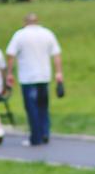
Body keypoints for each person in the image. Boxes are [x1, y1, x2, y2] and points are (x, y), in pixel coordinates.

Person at [6, 13, 63, 147]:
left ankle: (35, 137)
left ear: (25, 22)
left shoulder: (19, 35)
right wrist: (59, 72)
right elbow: (56, 54)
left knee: (32, 107)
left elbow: (10, 55)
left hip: (27, 77)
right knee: (43, 106)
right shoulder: (47, 33)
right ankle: (45, 133)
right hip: (44, 76)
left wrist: (9, 73)